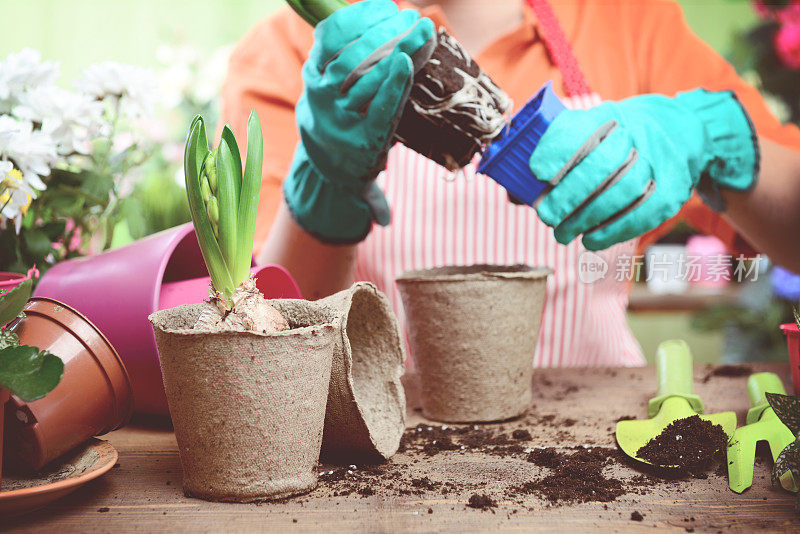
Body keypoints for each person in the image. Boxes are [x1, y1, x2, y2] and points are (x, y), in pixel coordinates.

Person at [220, 0, 800, 366]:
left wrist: (715, 137)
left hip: (599, 445)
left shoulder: (629, 20)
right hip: (376, 460)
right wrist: (324, 188)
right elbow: (263, 339)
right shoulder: (300, 52)